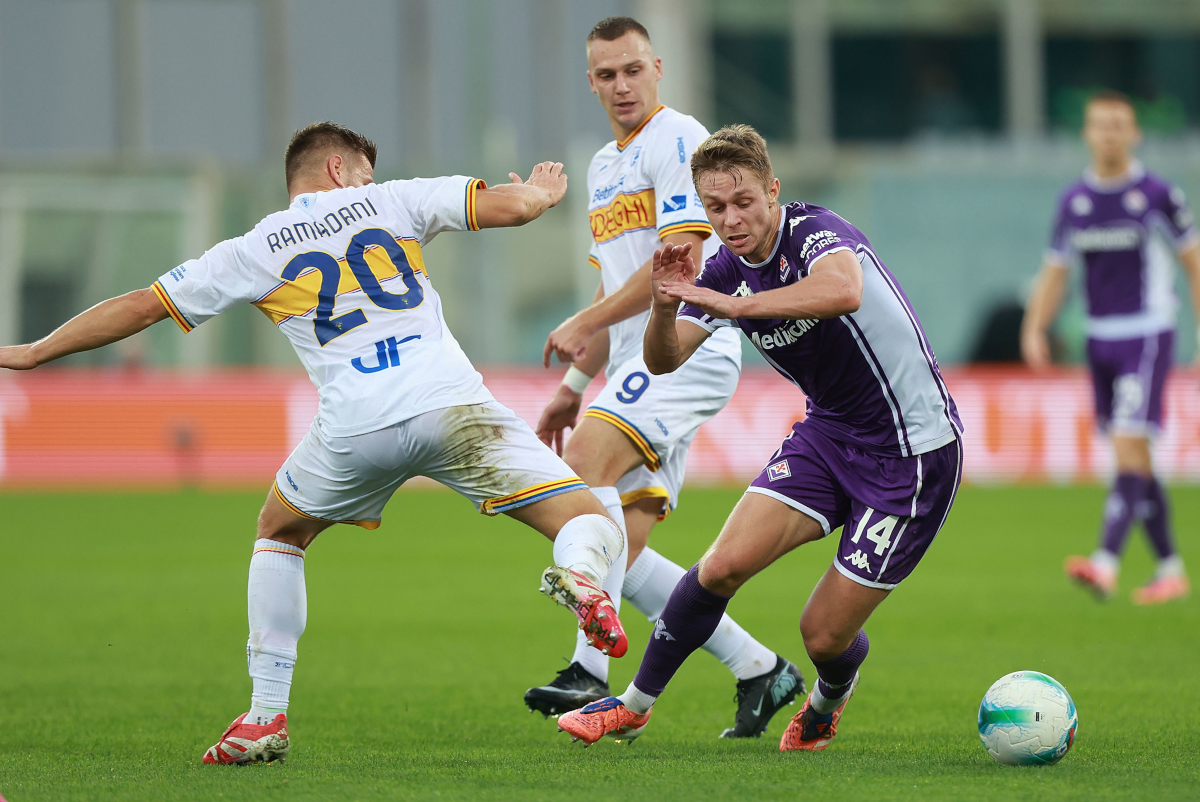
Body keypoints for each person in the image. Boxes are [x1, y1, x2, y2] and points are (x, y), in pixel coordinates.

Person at [0, 122, 631, 764]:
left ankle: (265, 716)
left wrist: (34, 350)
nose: (370, 182)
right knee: (588, 520)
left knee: (280, 530)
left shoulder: (251, 249)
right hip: (451, 406)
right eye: (363, 170)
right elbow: (513, 206)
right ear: (336, 168)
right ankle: (580, 576)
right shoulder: (396, 201)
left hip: (355, 428)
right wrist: (544, 194)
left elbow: (141, 305)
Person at [556, 125, 963, 751]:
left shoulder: (814, 230)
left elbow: (843, 289)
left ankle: (827, 697)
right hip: (828, 436)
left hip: (912, 453)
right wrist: (666, 307)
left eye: (744, 200)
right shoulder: (720, 269)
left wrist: (739, 306)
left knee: (822, 635)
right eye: (715, 207)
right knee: (719, 567)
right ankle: (632, 707)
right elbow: (663, 361)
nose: (731, 218)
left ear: (772, 190)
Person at [527, 16, 800, 738]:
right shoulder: (600, 166)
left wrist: (588, 332)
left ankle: (591, 672)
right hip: (632, 364)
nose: (621, 85)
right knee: (630, 545)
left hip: (686, 348)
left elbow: (674, 266)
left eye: (632, 70)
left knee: (580, 467)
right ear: (591, 81)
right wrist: (572, 386)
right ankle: (760, 670)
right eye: (606, 75)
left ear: (657, 68)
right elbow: (615, 287)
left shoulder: (677, 138)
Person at [1022, 90, 1198, 605]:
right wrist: (1036, 326)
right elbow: (1056, 272)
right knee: (1135, 453)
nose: (1109, 134)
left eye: (1119, 125)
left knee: (1127, 441)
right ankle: (1170, 568)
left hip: (1148, 332)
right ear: (1087, 133)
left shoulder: (1158, 194)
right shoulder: (1075, 201)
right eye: (1101, 125)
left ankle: (1105, 561)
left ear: (1135, 133)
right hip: (1098, 338)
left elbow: (1193, 262)